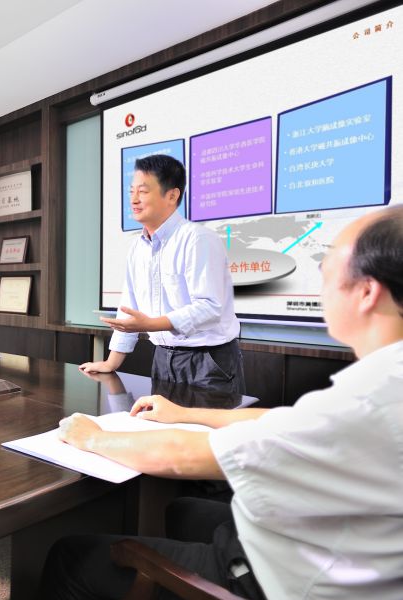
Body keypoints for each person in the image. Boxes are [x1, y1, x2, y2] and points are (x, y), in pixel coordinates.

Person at [41, 205, 403, 599]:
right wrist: (185, 413)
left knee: (70, 556)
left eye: (327, 270)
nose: (322, 285)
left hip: (278, 577)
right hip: (328, 538)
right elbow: (287, 421)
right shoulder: (384, 379)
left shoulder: (369, 401)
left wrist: (92, 438)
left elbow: (184, 455)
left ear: (367, 292)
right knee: (182, 509)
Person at [79, 154, 244, 394]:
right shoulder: (137, 247)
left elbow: (210, 307)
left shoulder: (198, 239)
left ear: (172, 195)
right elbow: (129, 307)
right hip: (162, 358)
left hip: (208, 361)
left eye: (143, 191)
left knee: (205, 420)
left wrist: (151, 324)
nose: (134, 199)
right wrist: (111, 363)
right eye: (131, 191)